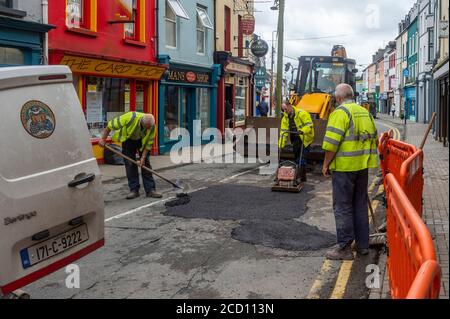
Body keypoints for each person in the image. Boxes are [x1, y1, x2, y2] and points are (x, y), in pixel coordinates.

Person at [322, 84, 379, 260]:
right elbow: (375, 139)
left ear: (339, 98)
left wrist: (325, 165)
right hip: (362, 167)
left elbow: (331, 144)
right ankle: (362, 245)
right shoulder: (365, 112)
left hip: (344, 168)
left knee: (343, 207)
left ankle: (344, 247)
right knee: (360, 205)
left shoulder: (340, 113)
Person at [99, 112, 163, 200]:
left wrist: (143, 158)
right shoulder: (129, 117)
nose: (148, 129)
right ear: (142, 123)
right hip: (128, 139)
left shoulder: (152, 126)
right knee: (130, 164)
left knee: (146, 164)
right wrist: (103, 139)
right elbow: (110, 126)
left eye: (149, 128)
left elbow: (149, 143)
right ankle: (134, 190)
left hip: (142, 141)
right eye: (146, 127)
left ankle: (150, 190)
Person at [278, 100, 314, 182]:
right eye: (283, 110)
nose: (285, 111)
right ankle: (301, 176)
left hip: (305, 138)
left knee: (302, 158)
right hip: (295, 139)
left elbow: (309, 125)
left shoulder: (302, 114)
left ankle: (300, 177)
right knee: (297, 157)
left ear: (290, 106)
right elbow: (283, 132)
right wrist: (280, 145)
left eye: (286, 109)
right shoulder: (285, 118)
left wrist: (302, 131)